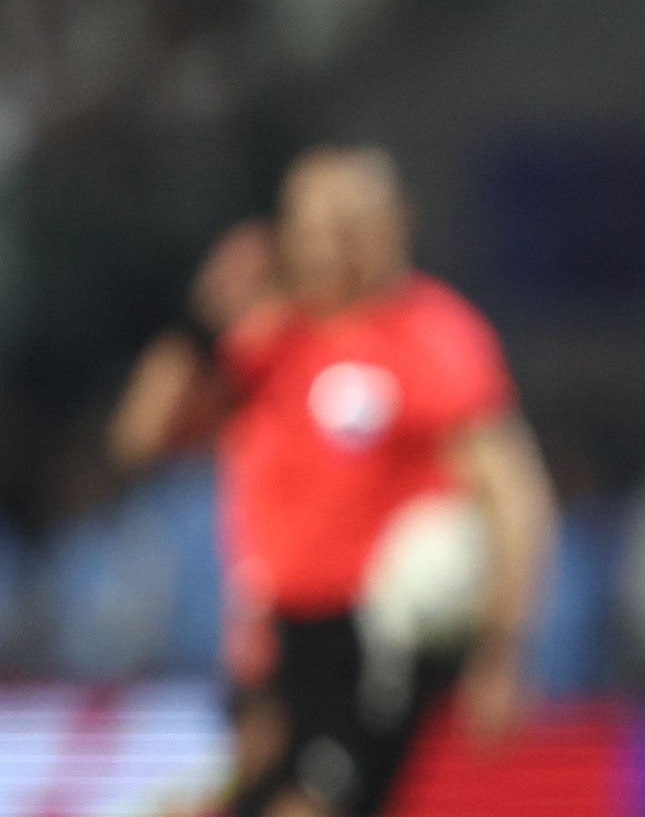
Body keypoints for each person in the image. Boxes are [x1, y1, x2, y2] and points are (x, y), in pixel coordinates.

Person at [110, 146, 558, 817]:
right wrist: (200, 320)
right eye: (315, 222)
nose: (334, 239)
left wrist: (502, 651)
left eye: (353, 218)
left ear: (400, 221)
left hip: (371, 641)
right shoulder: (264, 340)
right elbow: (141, 436)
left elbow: (515, 498)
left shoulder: (434, 337)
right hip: (266, 636)